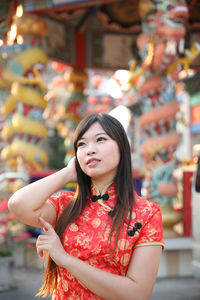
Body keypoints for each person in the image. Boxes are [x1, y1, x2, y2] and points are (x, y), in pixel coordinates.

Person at [8, 113, 164, 300]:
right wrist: (67, 173)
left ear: (122, 148)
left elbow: (137, 294)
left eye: (100, 139)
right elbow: (18, 205)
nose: (90, 149)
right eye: (82, 144)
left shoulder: (146, 213)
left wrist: (65, 259)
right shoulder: (65, 205)